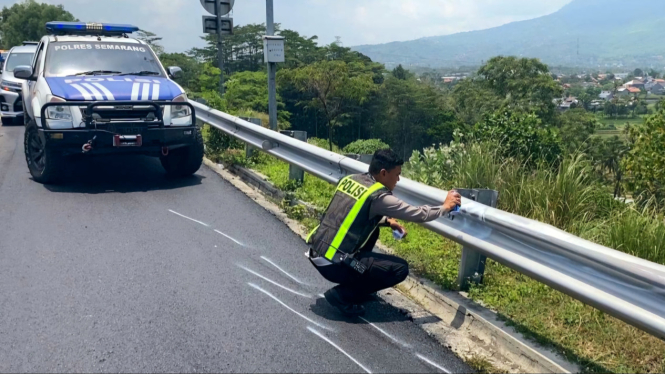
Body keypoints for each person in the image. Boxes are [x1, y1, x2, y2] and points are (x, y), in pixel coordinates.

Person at [306, 148, 462, 316]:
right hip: (337, 264)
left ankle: (357, 286)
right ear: (383, 173)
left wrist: (388, 222)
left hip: (318, 252)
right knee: (399, 269)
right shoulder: (379, 197)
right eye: (397, 174)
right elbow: (418, 214)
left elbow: (351, 217)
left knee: (373, 232)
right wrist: (446, 207)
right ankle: (343, 295)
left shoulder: (351, 179)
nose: (398, 179)